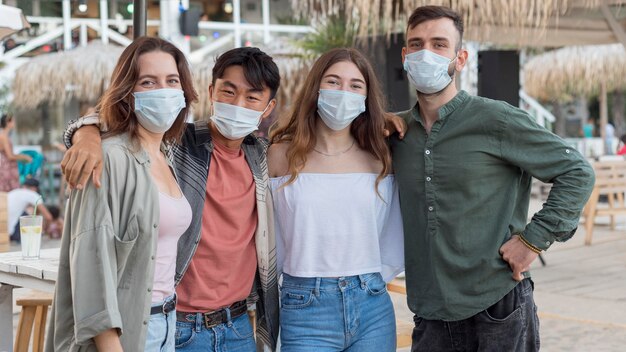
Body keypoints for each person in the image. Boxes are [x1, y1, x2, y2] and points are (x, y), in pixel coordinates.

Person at [390, 5, 595, 352]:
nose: (426, 53)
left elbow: (577, 171)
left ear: (460, 57)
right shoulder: (394, 132)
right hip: (430, 312)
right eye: (417, 43)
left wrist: (533, 240)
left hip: (498, 306)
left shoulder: (496, 119)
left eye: (439, 44)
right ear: (405, 54)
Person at [57, 47, 281, 351]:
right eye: (229, 92)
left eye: (252, 98)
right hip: (178, 324)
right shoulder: (178, 143)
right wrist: (85, 134)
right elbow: (122, 122)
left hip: (239, 324)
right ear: (211, 91)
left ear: (267, 109)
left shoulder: (262, 156)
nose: (238, 104)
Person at [46, 37, 196, 352]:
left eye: (171, 81)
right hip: (127, 332)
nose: (163, 90)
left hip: (168, 323)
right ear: (128, 93)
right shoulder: (109, 157)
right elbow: (91, 265)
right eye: (148, 82)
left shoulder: (168, 154)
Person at [268, 48, 404, 351]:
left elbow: (391, 231)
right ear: (316, 88)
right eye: (333, 81)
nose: (344, 92)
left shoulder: (381, 157)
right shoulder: (279, 156)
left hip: (371, 303)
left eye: (356, 85)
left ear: (366, 97)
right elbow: (267, 235)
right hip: (304, 305)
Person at [7, 178, 52, 242]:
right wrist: (46, 230)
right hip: (14, 233)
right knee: (30, 209)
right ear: (35, 188)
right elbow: (48, 217)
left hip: (4, 233)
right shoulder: (32, 194)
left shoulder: (14, 192)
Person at [0, 114, 32, 191]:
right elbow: (10, 156)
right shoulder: (3, 136)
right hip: (7, 168)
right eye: (13, 121)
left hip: (9, 167)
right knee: (9, 193)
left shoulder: (5, 136)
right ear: (8, 123)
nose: (14, 123)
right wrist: (24, 157)